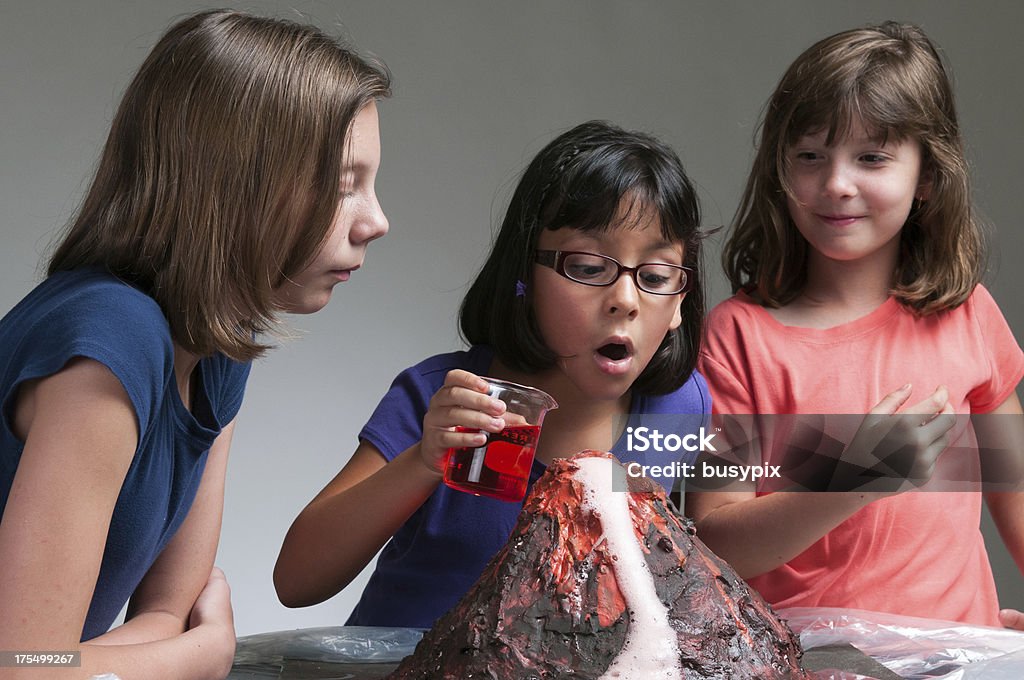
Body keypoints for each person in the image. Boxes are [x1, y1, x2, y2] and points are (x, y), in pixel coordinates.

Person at [0, 10, 390, 679]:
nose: (377, 221)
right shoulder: (112, 337)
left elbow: (164, 617)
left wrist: (167, 650)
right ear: (236, 180)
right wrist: (194, 659)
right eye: (342, 184)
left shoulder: (217, 350)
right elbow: (24, 667)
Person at [275, 120, 711, 627]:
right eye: (588, 268)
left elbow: (724, 545)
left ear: (681, 300)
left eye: (656, 277)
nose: (625, 300)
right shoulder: (442, 399)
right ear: (524, 275)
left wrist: (829, 455)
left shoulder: (683, 405)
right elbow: (297, 580)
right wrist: (424, 459)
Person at [685, 22, 1024, 627]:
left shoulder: (966, 311)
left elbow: (1016, 488)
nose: (836, 184)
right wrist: (851, 477)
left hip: (959, 653)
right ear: (780, 172)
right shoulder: (739, 336)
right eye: (810, 156)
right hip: (805, 659)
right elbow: (716, 544)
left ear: (926, 178)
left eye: (871, 157)